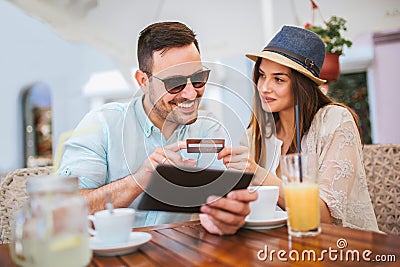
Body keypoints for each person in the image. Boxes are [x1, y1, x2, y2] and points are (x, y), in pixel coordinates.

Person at [59, 21, 257, 235]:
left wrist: (226, 215)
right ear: (143, 81)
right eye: (175, 84)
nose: (191, 94)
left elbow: (214, 210)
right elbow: (63, 210)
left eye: (199, 79)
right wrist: (138, 180)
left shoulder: (209, 130)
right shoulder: (103, 124)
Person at [218, 25, 379, 231]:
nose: (264, 87)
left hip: (343, 248)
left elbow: (323, 215)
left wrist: (257, 174)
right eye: (261, 75)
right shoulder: (257, 132)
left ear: (301, 84)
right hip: (278, 247)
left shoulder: (335, 120)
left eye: (278, 79)